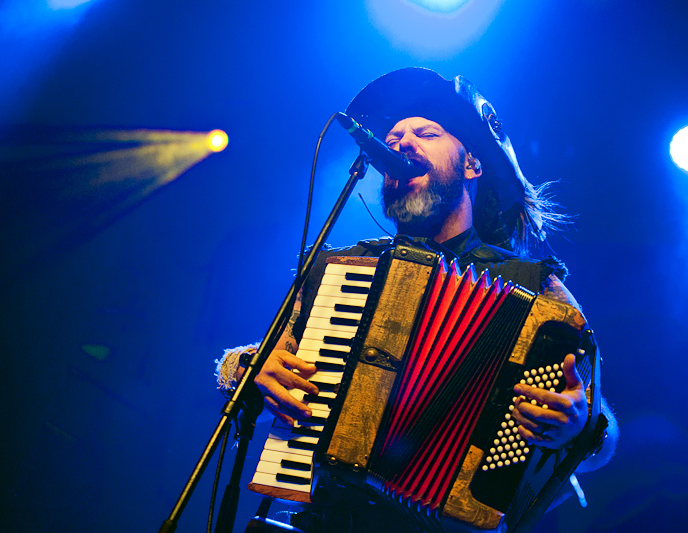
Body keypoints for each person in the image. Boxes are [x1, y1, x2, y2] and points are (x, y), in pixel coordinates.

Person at [215, 68, 618, 532]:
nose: (402, 143)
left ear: (472, 165)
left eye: (425, 132)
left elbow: (597, 440)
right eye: (393, 136)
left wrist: (579, 426)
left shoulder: (537, 290)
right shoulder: (343, 271)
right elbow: (262, 362)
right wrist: (245, 367)